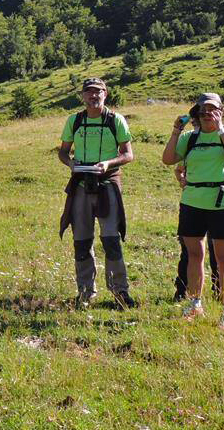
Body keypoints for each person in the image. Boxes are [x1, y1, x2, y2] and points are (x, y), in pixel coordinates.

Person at [161, 93, 224, 330]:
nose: (207, 112)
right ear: (196, 112)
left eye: (213, 108)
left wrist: (220, 131)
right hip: (192, 201)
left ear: (221, 110)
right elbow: (168, 159)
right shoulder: (190, 137)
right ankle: (194, 303)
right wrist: (176, 131)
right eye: (203, 109)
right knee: (194, 255)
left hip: (223, 203)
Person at [58, 78, 137, 310]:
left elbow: (128, 154)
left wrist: (108, 163)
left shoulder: (116, 120)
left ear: (106, 94)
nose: (94, 96)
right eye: (89, 92)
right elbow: (63, 152)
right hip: (81, 184)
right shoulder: (75, 120)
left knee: (111, 240)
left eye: (98, 92)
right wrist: (71, 164)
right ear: (82, 96)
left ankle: (120, 292)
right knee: (81, 241)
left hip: (108, 183)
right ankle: (85, 293)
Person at [172, 117, 218, 302]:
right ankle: (182, 291)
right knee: (188, 253)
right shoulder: (190, 140)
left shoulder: (223, 138)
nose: (196, 127)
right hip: (193, 203)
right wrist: (181, 178)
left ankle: (219, 292)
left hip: (219, 204)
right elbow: (178, 168)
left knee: (217, 253)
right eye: (195, 123)